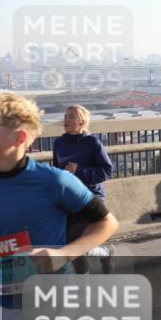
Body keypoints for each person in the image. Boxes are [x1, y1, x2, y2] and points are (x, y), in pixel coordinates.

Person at [0, 93, 120, 320]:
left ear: (18, 138)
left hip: (50, 301)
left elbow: (107, 222)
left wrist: (64, 253)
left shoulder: (55, 181)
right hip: (7, 298)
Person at [53, 104, 115, 274]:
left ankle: (101, 258)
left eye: (71, 116)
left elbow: (106, 171)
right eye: (66, 116)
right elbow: (57, 171)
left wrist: (79, 171)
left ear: (81, 122)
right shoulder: (58, 143)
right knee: (67, 243)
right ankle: (103, 255)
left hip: (89, 197)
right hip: (67, 198)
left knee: (75, 244)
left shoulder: (92, 142)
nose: (66, 119)